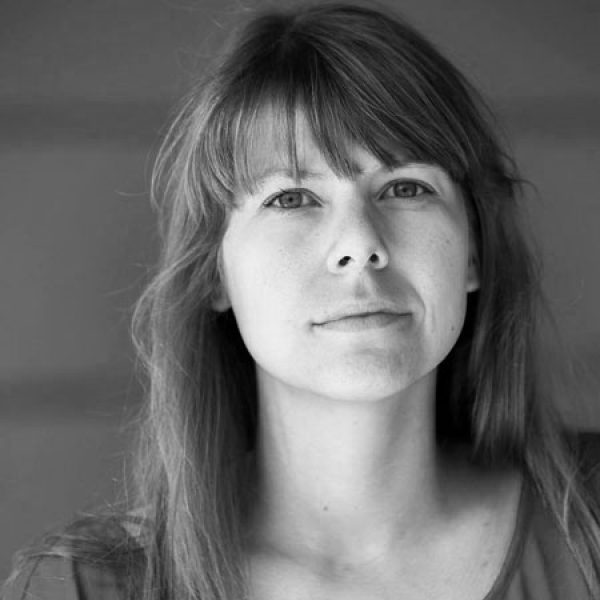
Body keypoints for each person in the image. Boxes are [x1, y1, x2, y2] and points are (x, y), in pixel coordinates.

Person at [4, 2, 600, 599]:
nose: (360, 245)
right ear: (214, 273)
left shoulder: (589, 519)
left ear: (473, 253)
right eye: (291, 199)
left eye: (406, 187)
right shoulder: (83, 588)